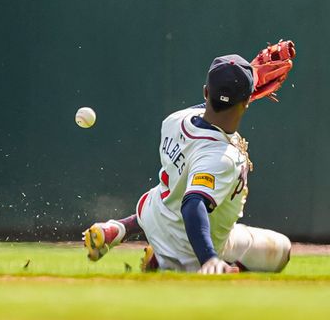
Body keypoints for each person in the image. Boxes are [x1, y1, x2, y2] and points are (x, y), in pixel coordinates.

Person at [83, 54, 291, 273]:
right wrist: (208, 258)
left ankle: (120, 228)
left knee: (176, 192)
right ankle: (169, 262)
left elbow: (213, 104)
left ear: (205, 91)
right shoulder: (221, 157)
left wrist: (245, 86)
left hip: (155, 214)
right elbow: (193, 205)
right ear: (247, 101)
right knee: (281, 252)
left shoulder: (175, 119)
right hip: (188, 247)